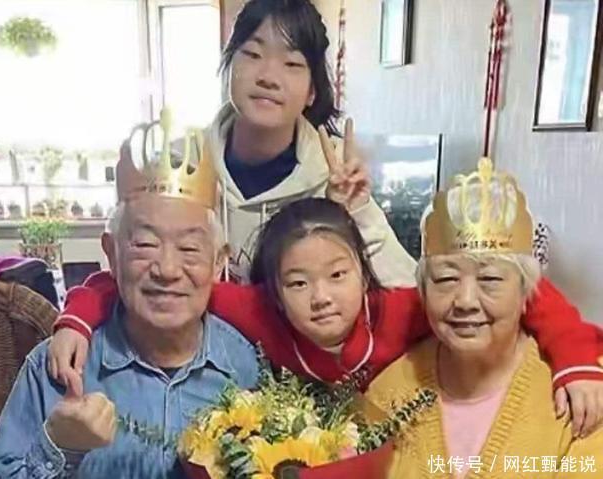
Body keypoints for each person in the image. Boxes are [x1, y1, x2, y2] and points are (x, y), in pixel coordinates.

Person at [50, 195, 603, 437]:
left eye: (338, 275)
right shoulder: (255, 311)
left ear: (364, 273)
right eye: (298, 282)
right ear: (273, 290)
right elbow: (147, 283)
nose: (321, 297)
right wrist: (77, 317)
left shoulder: (404, 309)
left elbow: (517, 291)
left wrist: (577, 362)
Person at [0, 133, 259, 478]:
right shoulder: (58, 367)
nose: (167, 269)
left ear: (218, 263)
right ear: (111, 253)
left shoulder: (249, 367)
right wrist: (58, 448)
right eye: (144, 244)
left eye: (189, 249)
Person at [364, 158, 603, 478]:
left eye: (490, 279)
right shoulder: (386, 394)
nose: (465, 300)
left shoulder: (584, 398)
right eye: (446, 279)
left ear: (527, 293)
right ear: (422, 290)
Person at [176, 0, 417, 286]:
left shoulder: (332, 174)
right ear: (228, 64)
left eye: (292, 64)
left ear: (312, 91)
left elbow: (407, 286)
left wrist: (356, 213)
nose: (268, 77)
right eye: (253, 54)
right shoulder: (181, 164)